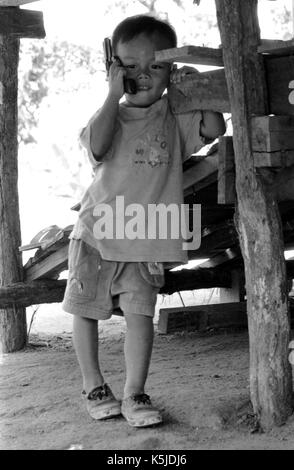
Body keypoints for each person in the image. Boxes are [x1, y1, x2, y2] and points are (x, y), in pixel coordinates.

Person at [62, 14, 225, 428]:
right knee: (85, 308)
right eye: (130, 66)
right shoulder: (109, 116)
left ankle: (135, 392)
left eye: (156, 65)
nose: (144, 75)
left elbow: (214, 125)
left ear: (169, 69)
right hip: (98, 233)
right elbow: (96, 145)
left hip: (145, 235)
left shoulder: (174, 116)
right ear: (113, 66)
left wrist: (195, 86)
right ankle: (94, 384)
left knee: (140, 315)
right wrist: (111, 94)